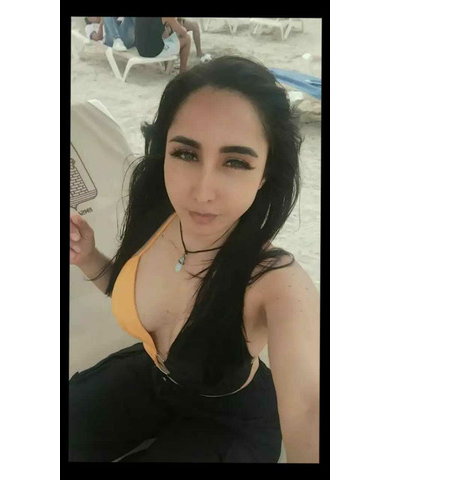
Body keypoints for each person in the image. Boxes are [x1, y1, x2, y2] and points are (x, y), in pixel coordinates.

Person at [68, 56, 320, 463]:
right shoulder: (156, 215)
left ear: (266, 174)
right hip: (151, 378)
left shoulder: (276, 282)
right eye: (186, 154)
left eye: (235, 162)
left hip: (230, 422)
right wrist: (89, 257)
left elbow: (309, 411)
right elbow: (128, 288)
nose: (202, 192)